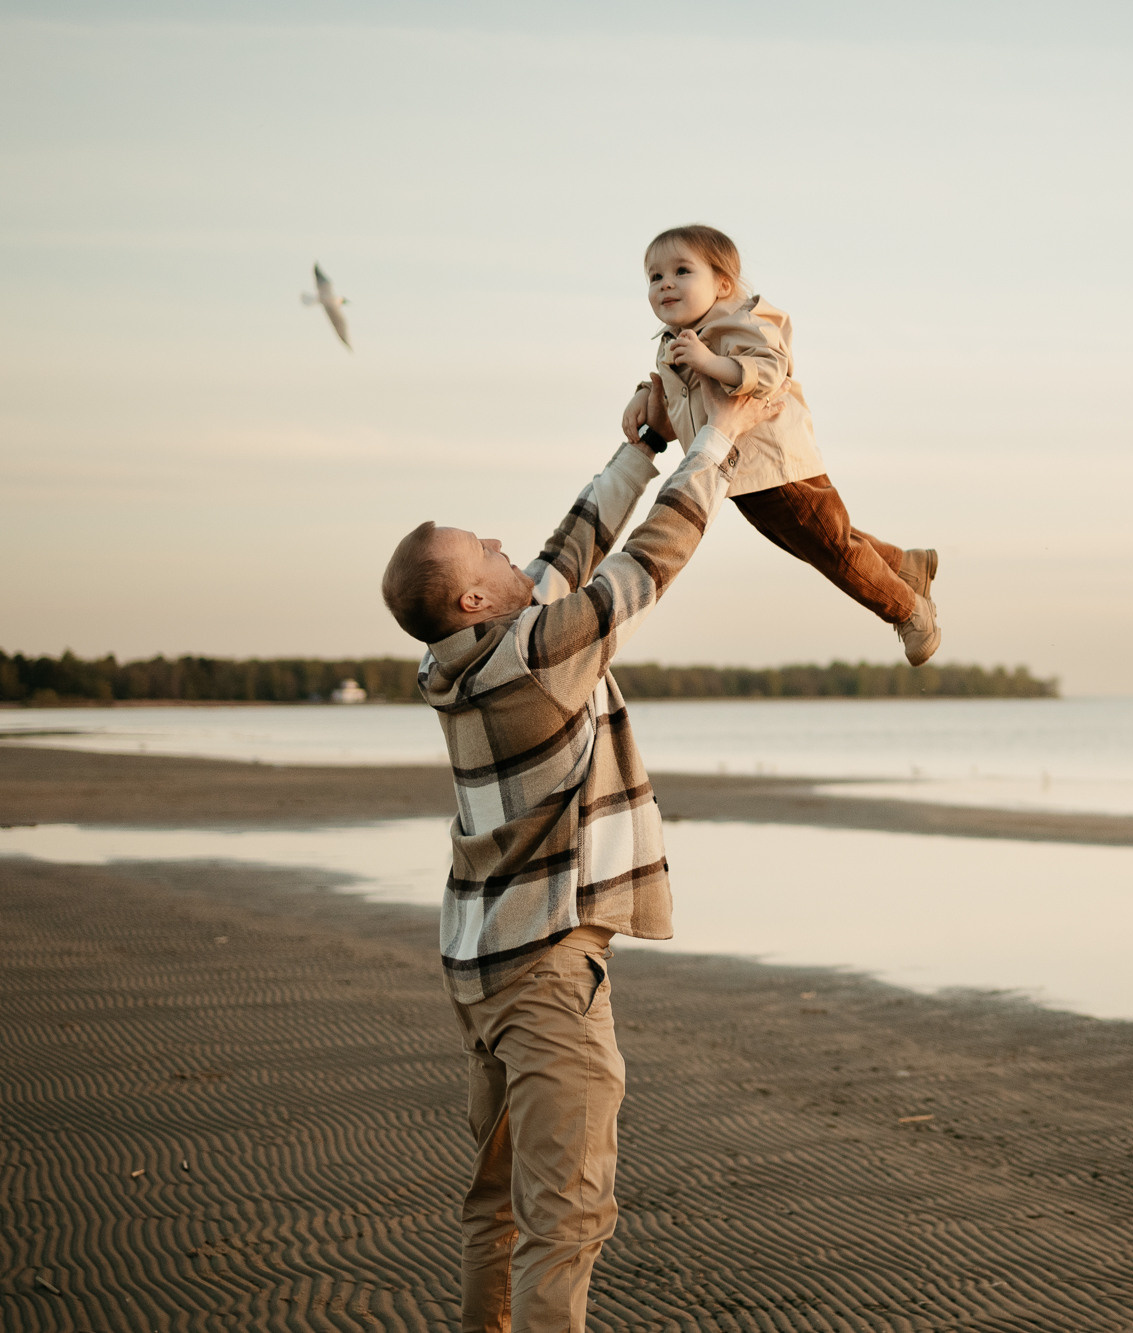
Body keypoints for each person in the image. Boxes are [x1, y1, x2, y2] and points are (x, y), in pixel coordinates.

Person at [379, 380, 779, 1332]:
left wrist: (639, 447)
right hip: (545, 976)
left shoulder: (457, 659)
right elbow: (646, 563)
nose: (506, 546)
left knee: (496, 1204)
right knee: (567, 1217)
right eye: (487, 549)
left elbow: (565, 553)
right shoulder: (532, 653)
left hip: (479, 966)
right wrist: (715, 441)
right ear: (476, 595)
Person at [620, 223, 942, 666]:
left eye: (681, 271)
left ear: (723, 284)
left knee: (833, 554)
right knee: (818, 542)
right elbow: (681, 393)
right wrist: (645, 391)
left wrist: (711, 361)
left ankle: (908, 609)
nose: (666, 284)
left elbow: (771, 369)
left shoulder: (738, 321)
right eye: (655, 277)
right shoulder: (676, 342)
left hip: (776, 464)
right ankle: (907, 566)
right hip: (740, 474)